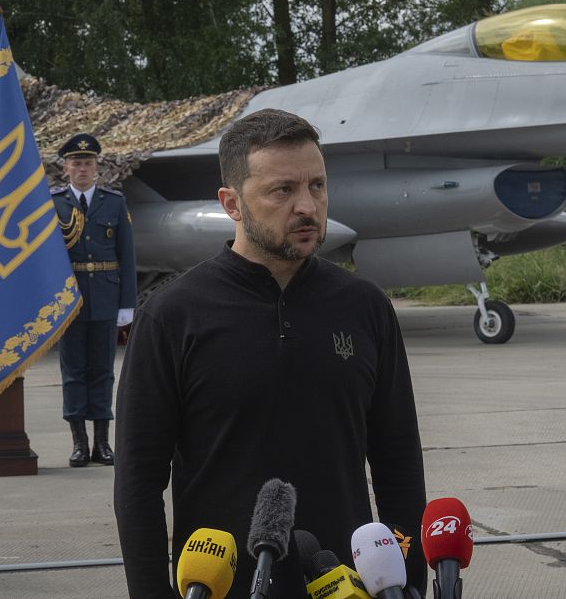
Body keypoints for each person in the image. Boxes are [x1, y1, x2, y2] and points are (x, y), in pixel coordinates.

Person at [113, 109, 426, 598]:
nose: (307, 205)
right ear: (232, 204)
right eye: (283, 191)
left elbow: (398, 463)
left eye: (317, 186)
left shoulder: (365, 307)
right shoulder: (172, 317)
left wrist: (408, 583)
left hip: (347, 587)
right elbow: (137, 483)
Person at [52, 132, 137, 468]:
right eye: (76, 163)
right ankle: (78, 443)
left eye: (88, 163)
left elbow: (126, 255)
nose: (82, 169)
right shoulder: (53, 203)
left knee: (103, 371)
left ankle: (102, 443)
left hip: (105, 294)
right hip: (68, 299)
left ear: (96, 167)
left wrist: (126, 304)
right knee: (73, 371)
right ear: (66, 168)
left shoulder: (114, 203)